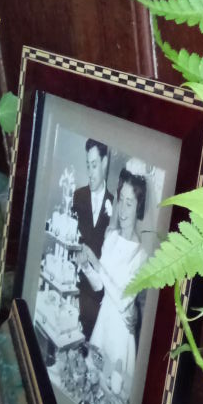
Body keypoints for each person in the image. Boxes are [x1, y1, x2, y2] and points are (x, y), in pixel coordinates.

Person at [79, 168, 148, 400]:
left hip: (119, 334)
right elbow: (99, 286)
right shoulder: (110, 238)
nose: (123, 208)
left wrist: (97, 265)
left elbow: (124, 300)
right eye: (121, 200)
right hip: (103, 324)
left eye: (130, 203)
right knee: (90, 384)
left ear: (139, 206)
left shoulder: (141, 255)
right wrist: (87, 265)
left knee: (112, 394)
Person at [73, 139, 114, 341]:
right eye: (87, 165)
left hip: (99, 299)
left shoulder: (116, 208)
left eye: (94, 165)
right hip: (74, 290)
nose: (90, 172)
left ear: (105, 162)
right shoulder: (77, 197)